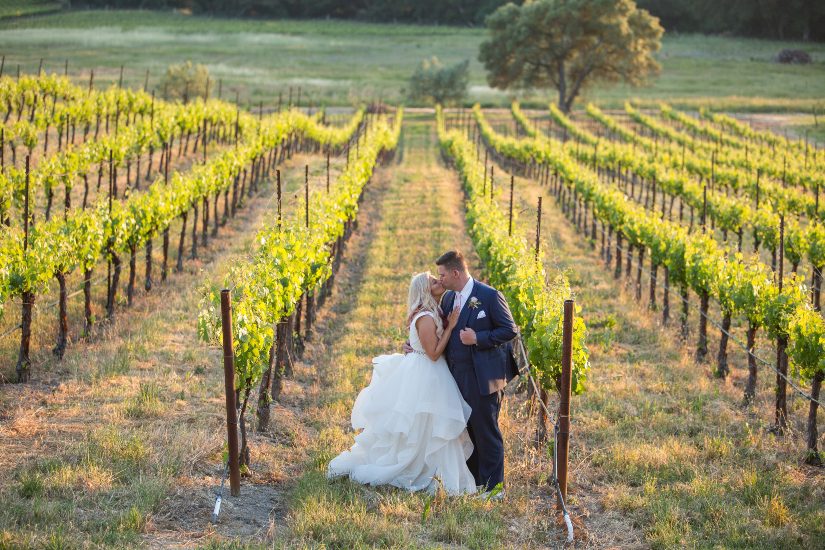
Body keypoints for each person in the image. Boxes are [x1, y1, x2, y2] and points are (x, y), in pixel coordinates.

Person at [326, 272, 478, 495]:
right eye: (433, 281)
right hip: (426, 372)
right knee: (420, 425)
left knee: (428, 425)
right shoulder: (425, 316)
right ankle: (416, 468)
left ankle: (433, 468)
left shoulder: (433, 310)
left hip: (429, 371)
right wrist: (451, 326)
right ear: (425, 291)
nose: (439, 281)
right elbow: (434, 353)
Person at [430, 250, 519, 498]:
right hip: (456, 375)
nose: (441, 279)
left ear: (456, 273)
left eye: (443, 274)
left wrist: (477, 338)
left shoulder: (489, 296)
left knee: (485, 428)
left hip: (482, 377)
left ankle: (495, 488)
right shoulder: (448, 299)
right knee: (466, 429)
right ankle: (476, 480)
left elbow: (509, 330)